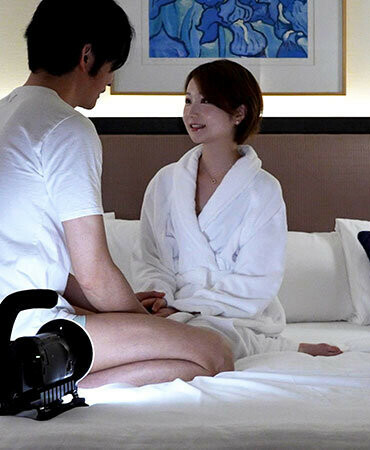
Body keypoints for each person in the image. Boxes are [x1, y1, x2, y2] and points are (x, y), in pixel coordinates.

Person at [0, 0, 234, 390]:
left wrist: (125, 310)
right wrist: (141, 324)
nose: (108, 82)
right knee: (214, 352)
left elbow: (36, 262)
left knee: (169, 342)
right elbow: (93, 273)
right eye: (111, 68)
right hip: (26, 341)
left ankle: (13, 382)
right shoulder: (65, 126)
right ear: (87, 56)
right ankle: (35, 389)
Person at [133, 60, 342, 360]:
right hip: (168, 314)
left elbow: (257, 279)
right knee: (135, 336)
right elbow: (150, 258)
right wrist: (159, 301)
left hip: (234, 315)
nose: (192, 112)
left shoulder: (263, 190)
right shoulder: (165, 182)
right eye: (188, 100)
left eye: (206, 101)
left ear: (238, 114)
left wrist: (184, 308)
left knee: (201, 341)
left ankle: (269, 345)